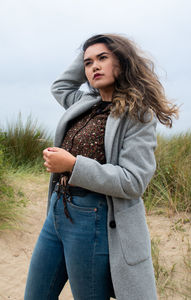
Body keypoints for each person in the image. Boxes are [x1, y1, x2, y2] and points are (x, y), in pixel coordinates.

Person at [24, 34, 178, 300]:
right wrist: (90, 47)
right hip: (56, 212)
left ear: (122, 62)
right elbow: (60, 85)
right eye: (88, 63)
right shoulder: (85, 102)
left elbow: (133, 181)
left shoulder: (138, 114)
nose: (94, 66)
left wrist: (72, 165)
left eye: (103, 58)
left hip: (92, 218)